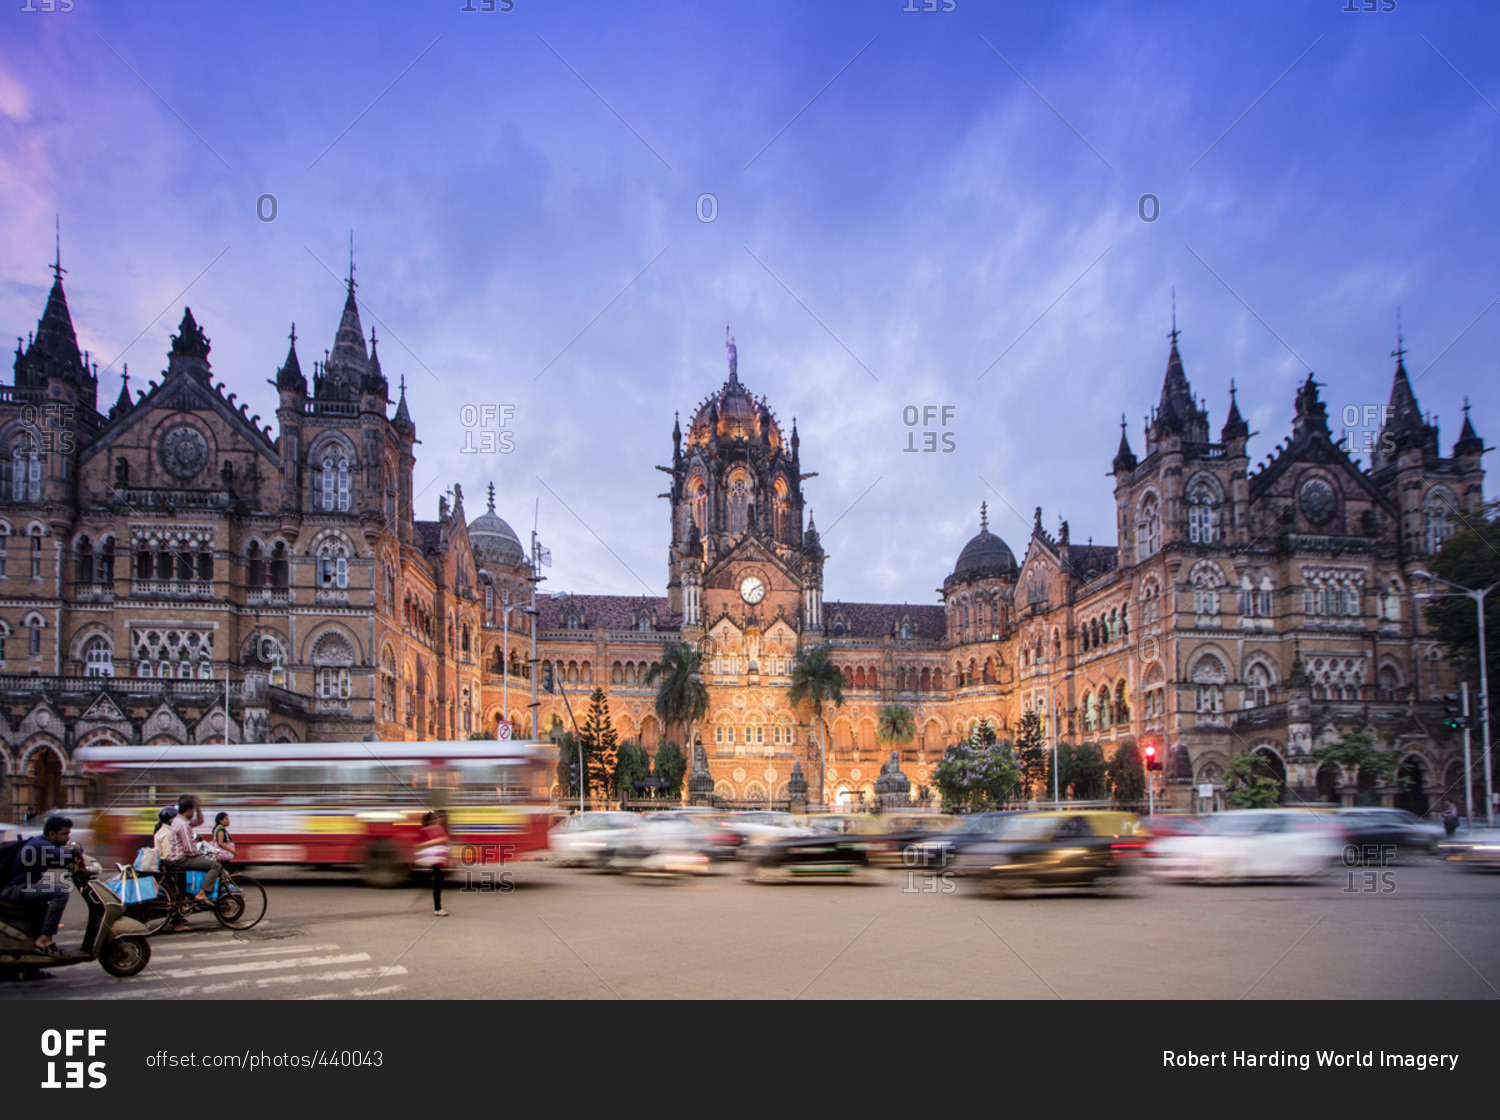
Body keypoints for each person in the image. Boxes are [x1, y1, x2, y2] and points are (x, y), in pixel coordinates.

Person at [0, 815, 77, 953]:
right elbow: (66, 856)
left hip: (16, 888)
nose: (68, 838)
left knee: (43, 903)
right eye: (65, 834)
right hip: (15, 889)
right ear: (52, 834)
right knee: (61, 892)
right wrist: (76, 851)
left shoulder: (40, 843)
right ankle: (45, 938)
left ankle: (36, 945)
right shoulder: (40, 845)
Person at [166, 794, 223, 905]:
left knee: (206, 862)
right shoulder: (183, 825)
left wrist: (197, 807)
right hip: (183, 859)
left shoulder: (179, 820)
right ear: (188, 810)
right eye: (193, 810)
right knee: (216, 866)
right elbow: (189, 850)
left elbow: (200, 821)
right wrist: (199, 855)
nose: (194, 813)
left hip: (181, 857)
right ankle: (202, 893)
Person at [417, 811, 451, 916]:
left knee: (438, 883)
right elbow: (423, 843)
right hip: (435, 859)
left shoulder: (436, 828)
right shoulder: (431, 829)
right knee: (438, 883)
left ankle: (438, 908)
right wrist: (439, 839)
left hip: (438, 859)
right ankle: (438, 908)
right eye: (438, 818)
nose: (440, 819)